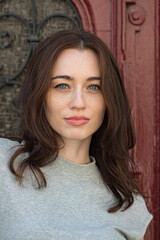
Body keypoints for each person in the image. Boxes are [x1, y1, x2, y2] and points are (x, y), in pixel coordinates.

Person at [0, 30, 152, 240]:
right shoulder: (3, 165)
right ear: (41, 95)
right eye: (62, 86)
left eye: (93, 87)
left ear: (109, 99)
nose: (78, 103)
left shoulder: (128, 203)